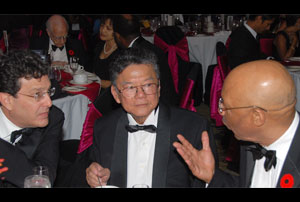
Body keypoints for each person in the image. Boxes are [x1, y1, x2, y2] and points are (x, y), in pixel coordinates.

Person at [81, 47, 218, 188]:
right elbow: (96, 170)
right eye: (130, 88)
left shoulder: (193, 128)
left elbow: (208, 180)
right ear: (116, 94)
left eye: (148, 85)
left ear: (158, 88)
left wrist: (210, 179)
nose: (140, 94)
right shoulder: (104, 128)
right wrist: (95, 174)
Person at [173, 60, 300, 188]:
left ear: (257, 117)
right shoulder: (251, 138)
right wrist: (212, 176)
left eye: (225, 106)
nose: (219, 111)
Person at [0, 49, 64, 187]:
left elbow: (44, 179)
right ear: (7, 101)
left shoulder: (53, 118)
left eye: (48, 92)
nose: (49, 102)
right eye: (37, 94)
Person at [112, 14, 179, 106]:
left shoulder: (133, 57)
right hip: (167, 101)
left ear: (117, 36)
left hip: (156, 106)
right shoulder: (150, 48)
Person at [91, 15, 118, 90]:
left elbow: (118, 84)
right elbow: (94, 72)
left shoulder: (121, 52)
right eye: (102, 26)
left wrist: (94, 81)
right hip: (96, 89)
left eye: (108, 28)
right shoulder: (99, 46)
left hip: (111, 95)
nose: (103, 30)